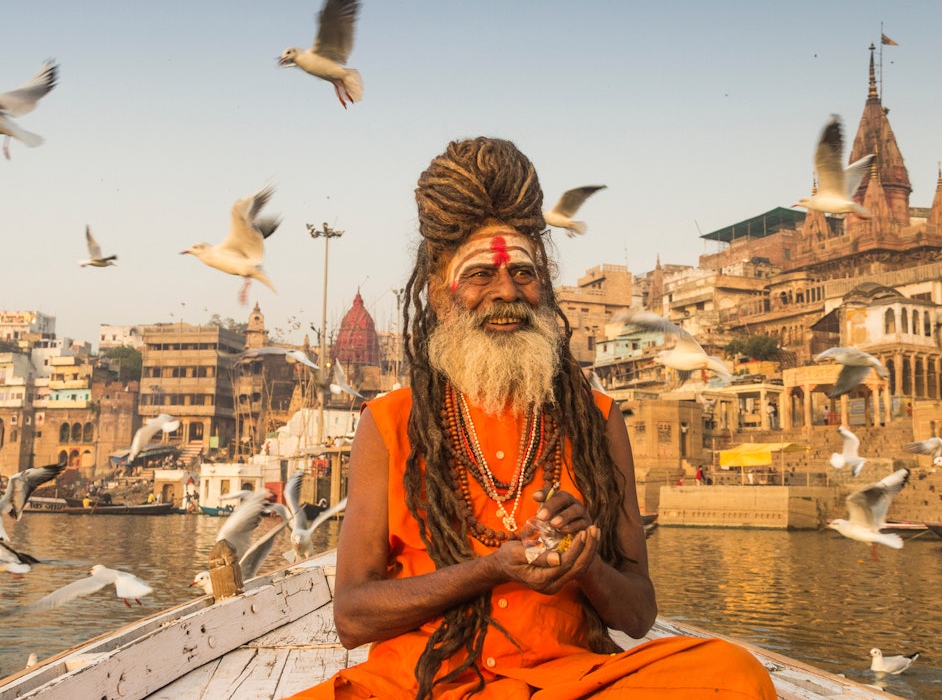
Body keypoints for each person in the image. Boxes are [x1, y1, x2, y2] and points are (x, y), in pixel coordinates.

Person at [290, 138, 774, 699]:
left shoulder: (596, 419)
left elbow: (638, 615)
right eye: (480, 275)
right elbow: (352, 617)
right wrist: (491, 568)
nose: (507, 292)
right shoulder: (390, 422)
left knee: (735, 675)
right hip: (421, 685)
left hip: (564, 683)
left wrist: (586, 562)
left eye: (523, 272)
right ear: (441, 295)